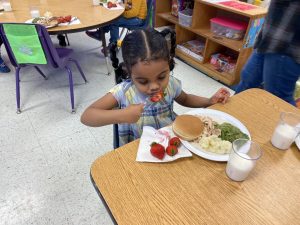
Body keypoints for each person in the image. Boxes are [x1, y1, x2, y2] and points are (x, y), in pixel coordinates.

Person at [81, 28, 230, 146]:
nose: (154, 87)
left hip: (172, 139)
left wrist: (209, 101)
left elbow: (186, 99)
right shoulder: (124, 92)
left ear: (168, 64)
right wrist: (122, 114)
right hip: (138, 146)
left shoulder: (171, 84)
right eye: (143, 81)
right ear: (129, 71)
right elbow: (87, 116)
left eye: (161, 77)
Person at [235, 0, 300, 106]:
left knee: (278, 98)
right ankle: (230, 115)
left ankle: (288, 123)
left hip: (288, 46)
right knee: (247, 81)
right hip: (268, 38)